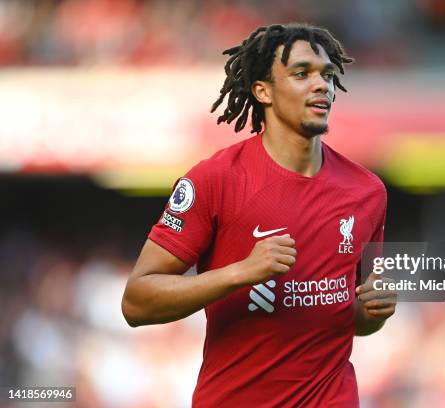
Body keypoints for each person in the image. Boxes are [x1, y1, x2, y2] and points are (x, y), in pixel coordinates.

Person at [121, 23, 396, 407]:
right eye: (302, 74)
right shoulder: (215, 179)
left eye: (328, 75)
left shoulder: (367, 191)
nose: (323, 86)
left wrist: (373, 313)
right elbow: (136, 302)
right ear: (262, 90)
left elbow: (354, 318)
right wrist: (241, 272)